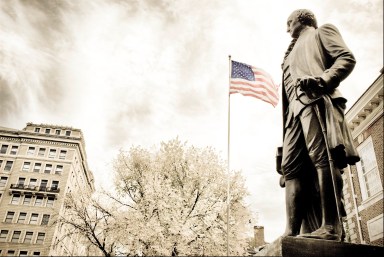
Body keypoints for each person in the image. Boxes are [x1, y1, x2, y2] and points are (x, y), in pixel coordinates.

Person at [279, 9, 360, 241]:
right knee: (290, 168)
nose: (287, 28)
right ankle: (291, 232)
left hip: (315, 99)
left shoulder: (321, 32)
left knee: (323, 157)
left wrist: (323, 80)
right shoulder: (289, 52)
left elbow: (346, 58)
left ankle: (331, 227)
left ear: (303, 19)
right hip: (293, 113)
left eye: (289, 22)